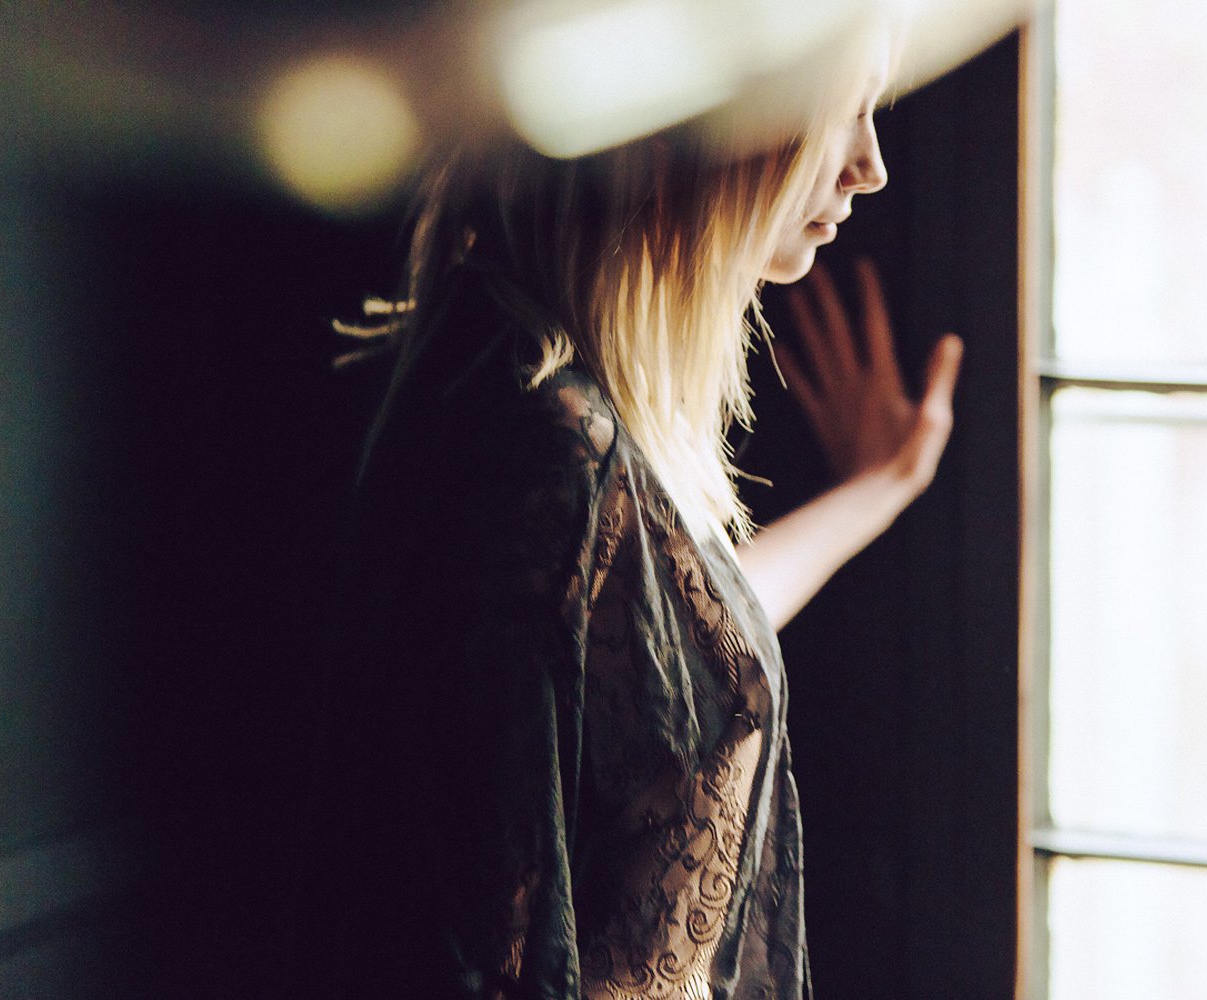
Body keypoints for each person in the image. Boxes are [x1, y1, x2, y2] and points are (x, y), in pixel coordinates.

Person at [297, 16, 963, 1000]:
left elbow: (665, 662)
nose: (871, 166)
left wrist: (879, 486)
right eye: (844, 108)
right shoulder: (539, 448)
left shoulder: (533, 382)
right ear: (702, 114)